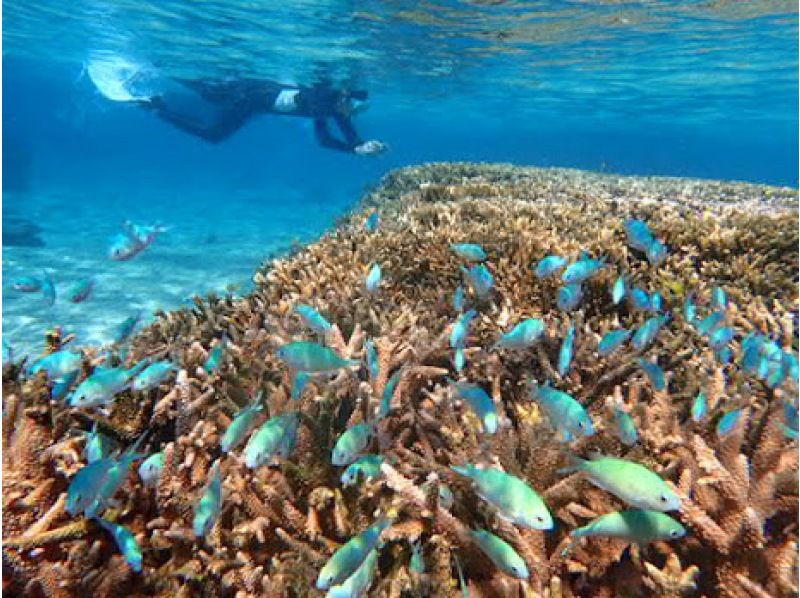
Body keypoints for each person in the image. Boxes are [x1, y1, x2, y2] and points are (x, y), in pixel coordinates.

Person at [87, 56, 387, 155]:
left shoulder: (334, 106)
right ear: (345, 96)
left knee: (206, 97)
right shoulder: (326, 100)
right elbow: (325, 137)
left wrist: (360, 147)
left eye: (358, 111)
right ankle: (157, 96)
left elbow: (343, 136)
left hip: (251, 99)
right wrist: (355, 147)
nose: (351, 116)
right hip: (246, 94)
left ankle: (158, 90)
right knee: (210, 113)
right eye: (354, 108)